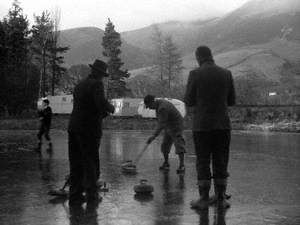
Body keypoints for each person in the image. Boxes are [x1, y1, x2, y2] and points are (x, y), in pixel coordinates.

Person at [184, 46, 236, 209]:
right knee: (221, 160)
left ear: (198, 57)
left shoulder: (195, 74)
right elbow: (232, 101)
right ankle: (220, 199)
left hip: (202, 126)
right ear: (211, 56)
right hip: (223, 125)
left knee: (203, 161)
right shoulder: (226, 74)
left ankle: (204, 199)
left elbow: (189, 100)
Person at [68, 59, 115, 204]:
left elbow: (86, 106)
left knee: (76, 162)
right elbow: (100, 103)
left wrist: (101, 112)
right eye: (101, 74)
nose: (102, 77)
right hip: (88, 129)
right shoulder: (97, 84)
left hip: (73, 127)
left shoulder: (79, 85)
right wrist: (110, 108)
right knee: (91, 162)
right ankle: (91, 195)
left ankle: (75, 195)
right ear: (99, 73)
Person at [144, 95, 186, 174]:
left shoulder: (162, 108)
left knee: (179, 145)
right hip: (168, 125)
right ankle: (166, 163)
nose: (149, 108)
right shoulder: (158, 105)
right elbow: (161, 122)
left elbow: (161, 124)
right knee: (165, 145)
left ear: (152, 102)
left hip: (176, 126)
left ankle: (182, 165)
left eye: (149, 106)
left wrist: (153, 135)